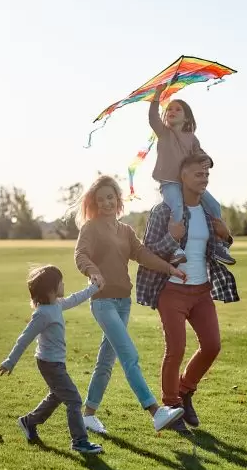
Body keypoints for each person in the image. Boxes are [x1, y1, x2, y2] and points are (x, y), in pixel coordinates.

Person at [74, 175, 186, 435]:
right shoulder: (90, 228)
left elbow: (143, 255)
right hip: (102, 303)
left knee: (106, 360)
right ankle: (156, 412)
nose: (106, 203)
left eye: (110, 197)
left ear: (118, 199)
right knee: (129, 356)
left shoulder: (125, 231)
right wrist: (92, 272)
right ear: (94, 203)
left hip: (123, 303)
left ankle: (88, 415)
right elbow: (81, 254)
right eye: (100, 199)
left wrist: (169, 268)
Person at [136, 153, 240, 433]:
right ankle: (171, 408)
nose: (204, 179)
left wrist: (226, 236)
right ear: (182, 176)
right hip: (171, 291)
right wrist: (172, 235)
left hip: (201, 291)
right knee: (176, 349)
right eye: (198, 174)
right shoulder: (163, 212)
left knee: (212, 345)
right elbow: (146, 252)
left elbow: (219, 250)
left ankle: (185, 391)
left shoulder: (208, 214)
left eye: (206, 174)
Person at [0, 265, 104, 454]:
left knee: (57, 396)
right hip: (49, 364)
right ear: (51, 289)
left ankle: (29, 421)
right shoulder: (42, 314)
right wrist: (10, 361)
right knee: (74, 400)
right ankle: (80, 441)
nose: (64, 284)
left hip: (56, 363)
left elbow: (75, 298)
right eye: (61, 282)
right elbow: (25, 338)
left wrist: (94, 289)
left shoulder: (57, 305)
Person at [149, 84, 235, 266]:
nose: (172, 111)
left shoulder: (191, 137)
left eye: (177, 109)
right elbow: (152, 118)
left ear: (186, 117)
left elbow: (200, 153)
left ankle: (220, 244)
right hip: (170, 183)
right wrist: (157, 95)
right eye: (169, 109)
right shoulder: (163, 133)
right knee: (177, 208)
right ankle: (175, 248)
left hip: (188, 184)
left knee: (214, 205)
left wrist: (207, 160)